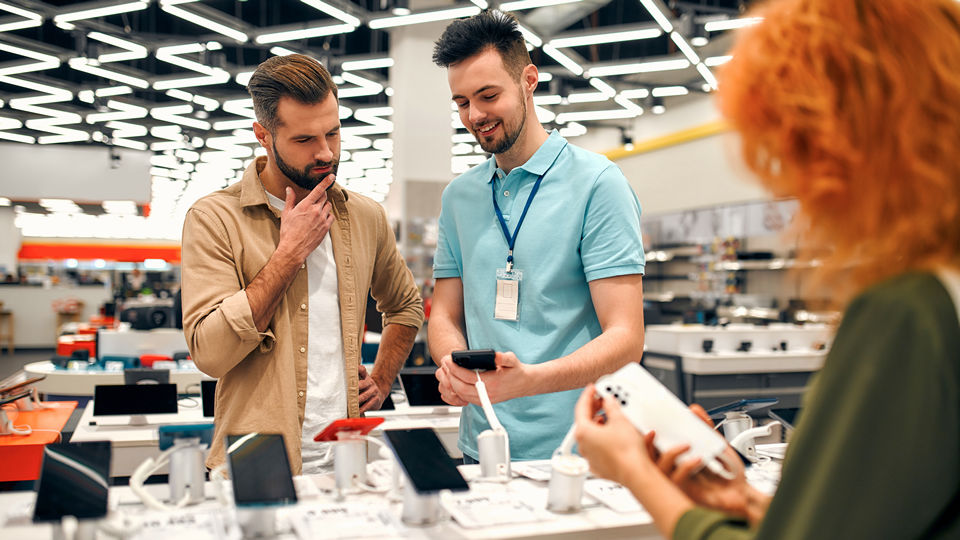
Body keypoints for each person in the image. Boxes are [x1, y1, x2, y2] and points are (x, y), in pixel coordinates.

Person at [574, 0, 960, 538]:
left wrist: (636, 472)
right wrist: (753, 504)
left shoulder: (909, 314)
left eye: (799, 149)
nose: (791, 187)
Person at [180, 54, 423, 474]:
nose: (326, 152)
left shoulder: (365, 217)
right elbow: (210, 352)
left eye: (333, 132)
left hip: (348, 455)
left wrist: (382, 379)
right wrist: (289, 254)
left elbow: (406, 306)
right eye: (304, 139)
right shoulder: (214, 218)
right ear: (263, 135)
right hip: (255, 457)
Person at [428, 10, 646, 462]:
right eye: (462, 102)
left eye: (488, 95)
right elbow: (445, 315)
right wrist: (452, 364)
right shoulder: (459, 197)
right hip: (482, 446)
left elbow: (626, 338)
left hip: (579, 449)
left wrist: (530, 380)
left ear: (529, 79)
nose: (476, 115)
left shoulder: (597, 183)